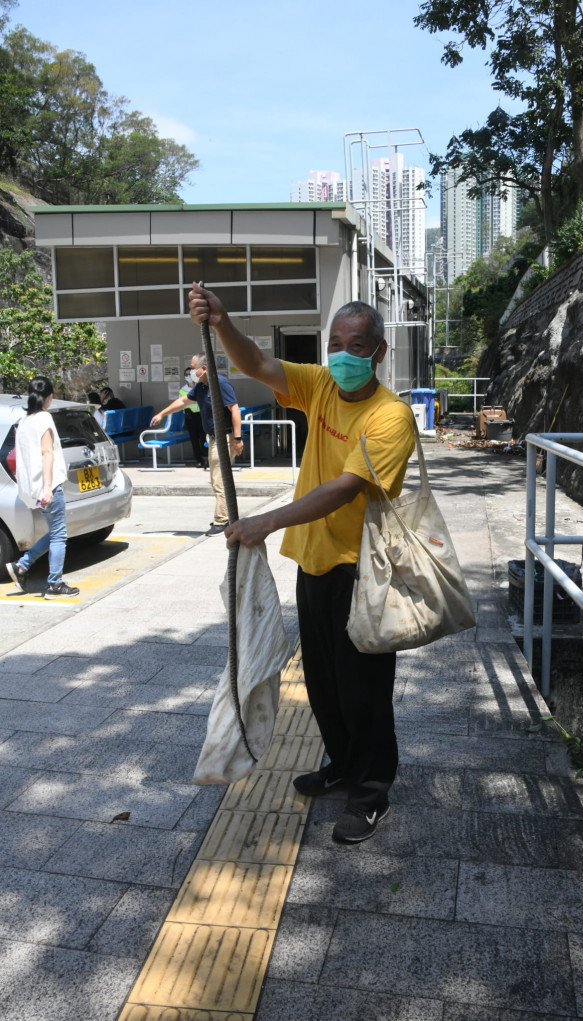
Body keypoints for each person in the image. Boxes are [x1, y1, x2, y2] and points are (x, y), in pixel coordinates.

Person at [188, 284, 415, 844]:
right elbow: (258, 363)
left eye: (355, 344)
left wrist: (266, 521)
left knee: (364, 691)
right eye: (335, 343)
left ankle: (370, 794)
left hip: (364, 572)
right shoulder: (319, 386)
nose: (342, 354)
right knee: (323, 684)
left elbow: (345, 489)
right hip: (314, 565)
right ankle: (342, 764)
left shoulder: (393, 416)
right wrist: (222, 324)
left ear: (379, 352)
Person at [150, 354, 243, 535]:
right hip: (214, 437)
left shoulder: (220, 384)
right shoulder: (201, 385)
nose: (191, 371)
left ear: (204, 368)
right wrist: (163, 413)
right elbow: (183, 401)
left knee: (219, 480)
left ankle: (222, 520)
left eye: (193, 368)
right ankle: (227, 515)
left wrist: (237, 439)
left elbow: (235, 409)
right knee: (220, 478)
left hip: (225, 438)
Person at [5, 377, 80, 599]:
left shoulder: (24, 419)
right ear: (49, 396)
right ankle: (55, 584)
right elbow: (47, 453)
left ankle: (22, 566)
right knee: (59, 536)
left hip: (33, 488)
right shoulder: (44, 418)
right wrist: (48, 487)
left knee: (56, 532)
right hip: (49, 486)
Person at [179, 365, 207, 468]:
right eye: (186, 375)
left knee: (204, 438)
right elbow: (181, 403)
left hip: (201, 415)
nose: (188, 376)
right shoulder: (183, 390)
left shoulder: (200, 386)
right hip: (190, 416)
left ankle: (206, 457)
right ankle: (198, 459)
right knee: (194, 439)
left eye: (189, 374)